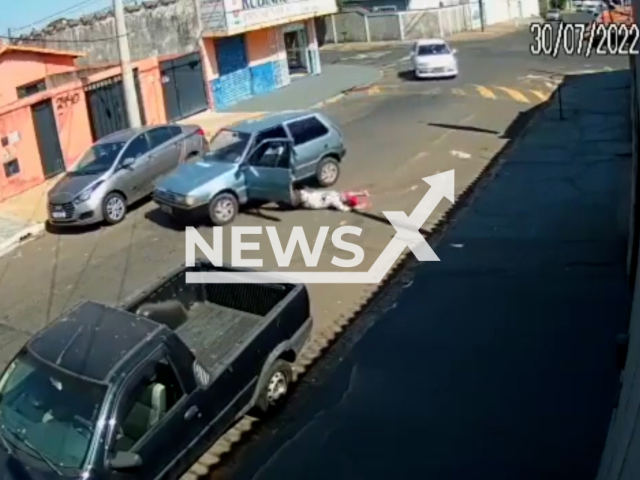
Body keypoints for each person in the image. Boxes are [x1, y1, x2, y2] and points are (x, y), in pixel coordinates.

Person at [293, 187, 370, 212]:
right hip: (307, 195)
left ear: (346, 201)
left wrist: (357, 207)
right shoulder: (338, 195)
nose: (345, 194)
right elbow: (349, 194)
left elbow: (345, 209)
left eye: (346, 197)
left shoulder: (336, 201)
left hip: (306, 199)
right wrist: (361, 193)